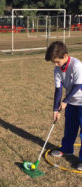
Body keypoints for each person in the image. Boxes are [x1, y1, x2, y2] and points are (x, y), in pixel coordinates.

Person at [45, 41, 82, 171]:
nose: (56, 65)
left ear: (65, 55)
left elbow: (78, 86)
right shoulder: (57, 69)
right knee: (70, 128)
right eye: (54, 62)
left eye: (57, 62)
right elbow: (58, 89)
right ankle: (66, 149)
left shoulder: (77, 65)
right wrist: (55, 109)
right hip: (72, 103)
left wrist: (65, 101)